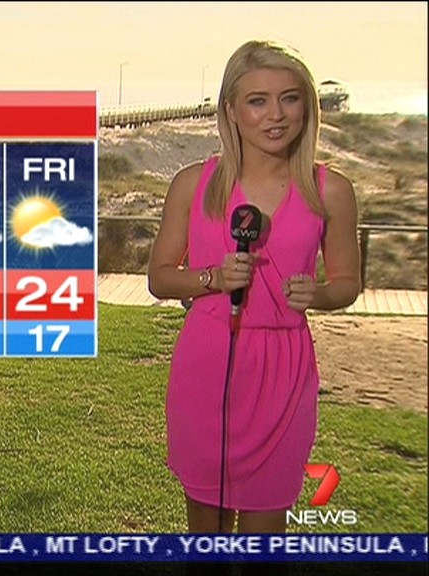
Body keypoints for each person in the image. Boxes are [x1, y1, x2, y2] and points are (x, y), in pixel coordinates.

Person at [147, 39, 361, 534]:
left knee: (265, 536)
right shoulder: (192, 184)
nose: (276, 115)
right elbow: (159, 277)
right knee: (207, 534)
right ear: (231, 110)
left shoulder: (331, 190)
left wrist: (319, 294)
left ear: (307, 105)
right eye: (258, 100)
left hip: (284, 372)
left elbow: (347, 284)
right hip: (207, 362)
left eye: (290, 98)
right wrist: (212, 279)